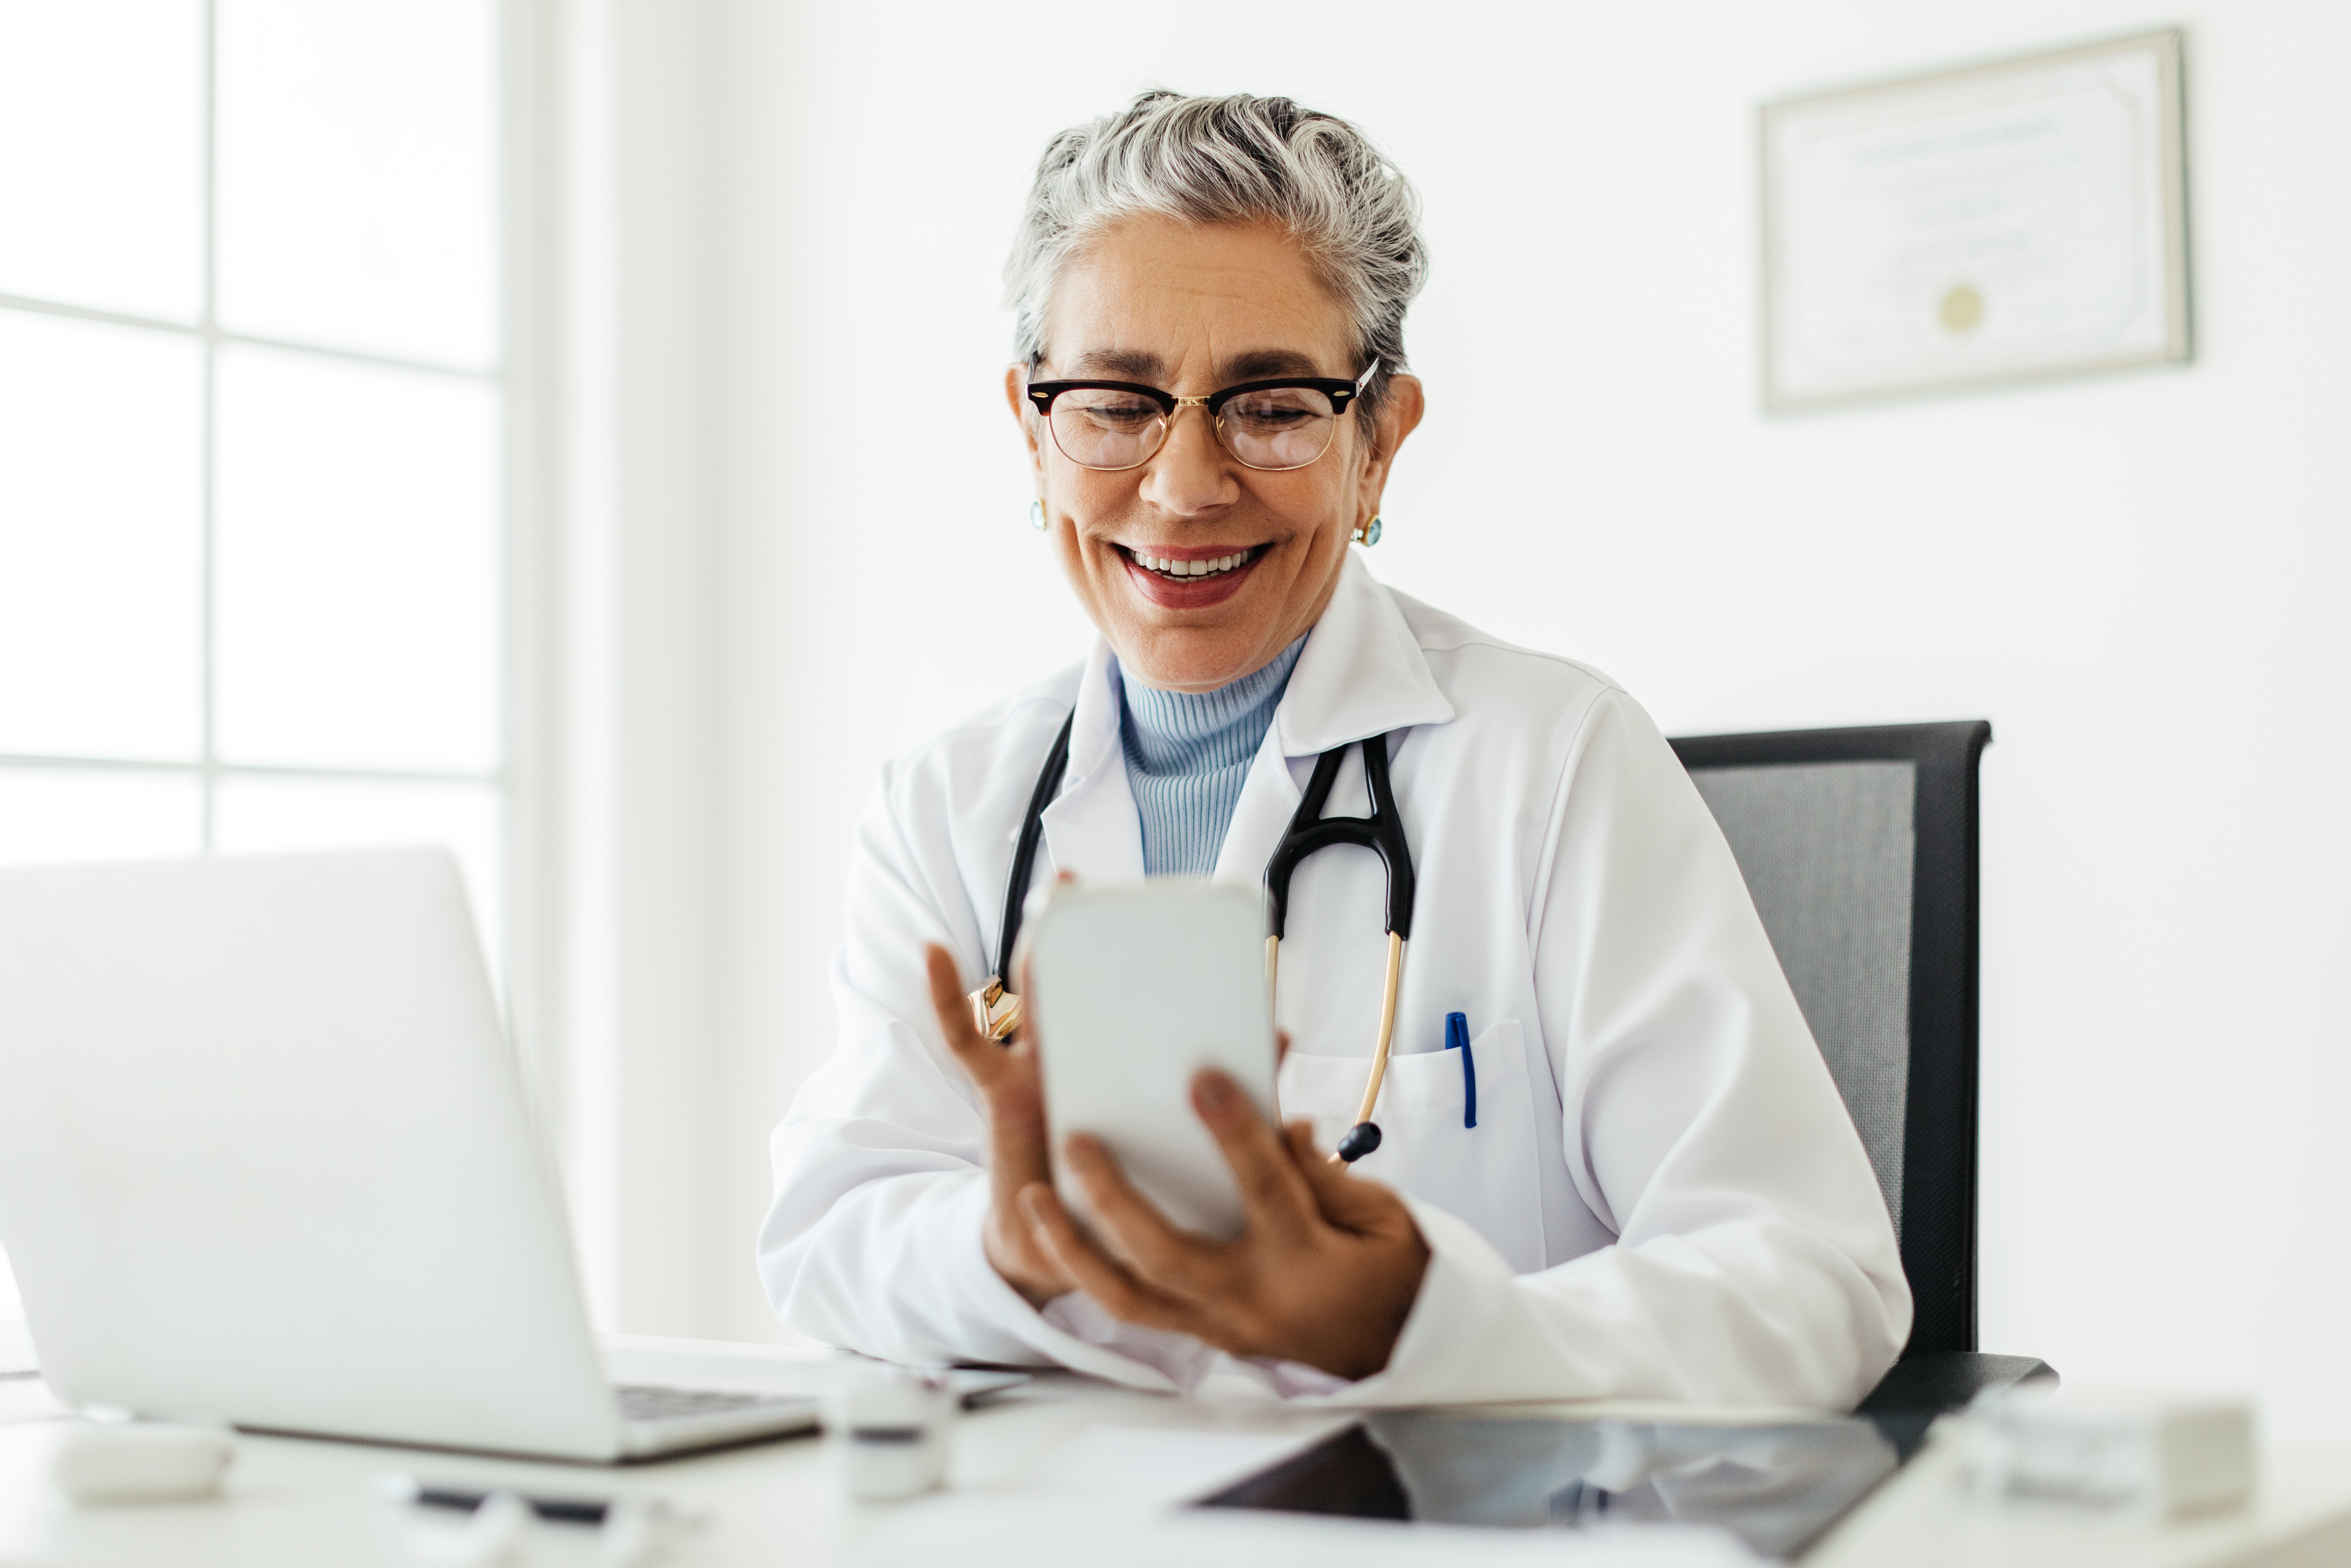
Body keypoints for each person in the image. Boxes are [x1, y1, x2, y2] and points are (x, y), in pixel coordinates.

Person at [759, 91, 1909, 1406]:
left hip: (1444, 1505)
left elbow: (1808, 1280)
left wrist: (1417, 1324)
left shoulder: (1553, 764)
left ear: (1376, 444)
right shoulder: (946, 807)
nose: (1183, 485)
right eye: (1116, 403)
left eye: (1268, 406)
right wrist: (1005, 1249)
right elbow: (830, 1229)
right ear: (1033, 430)